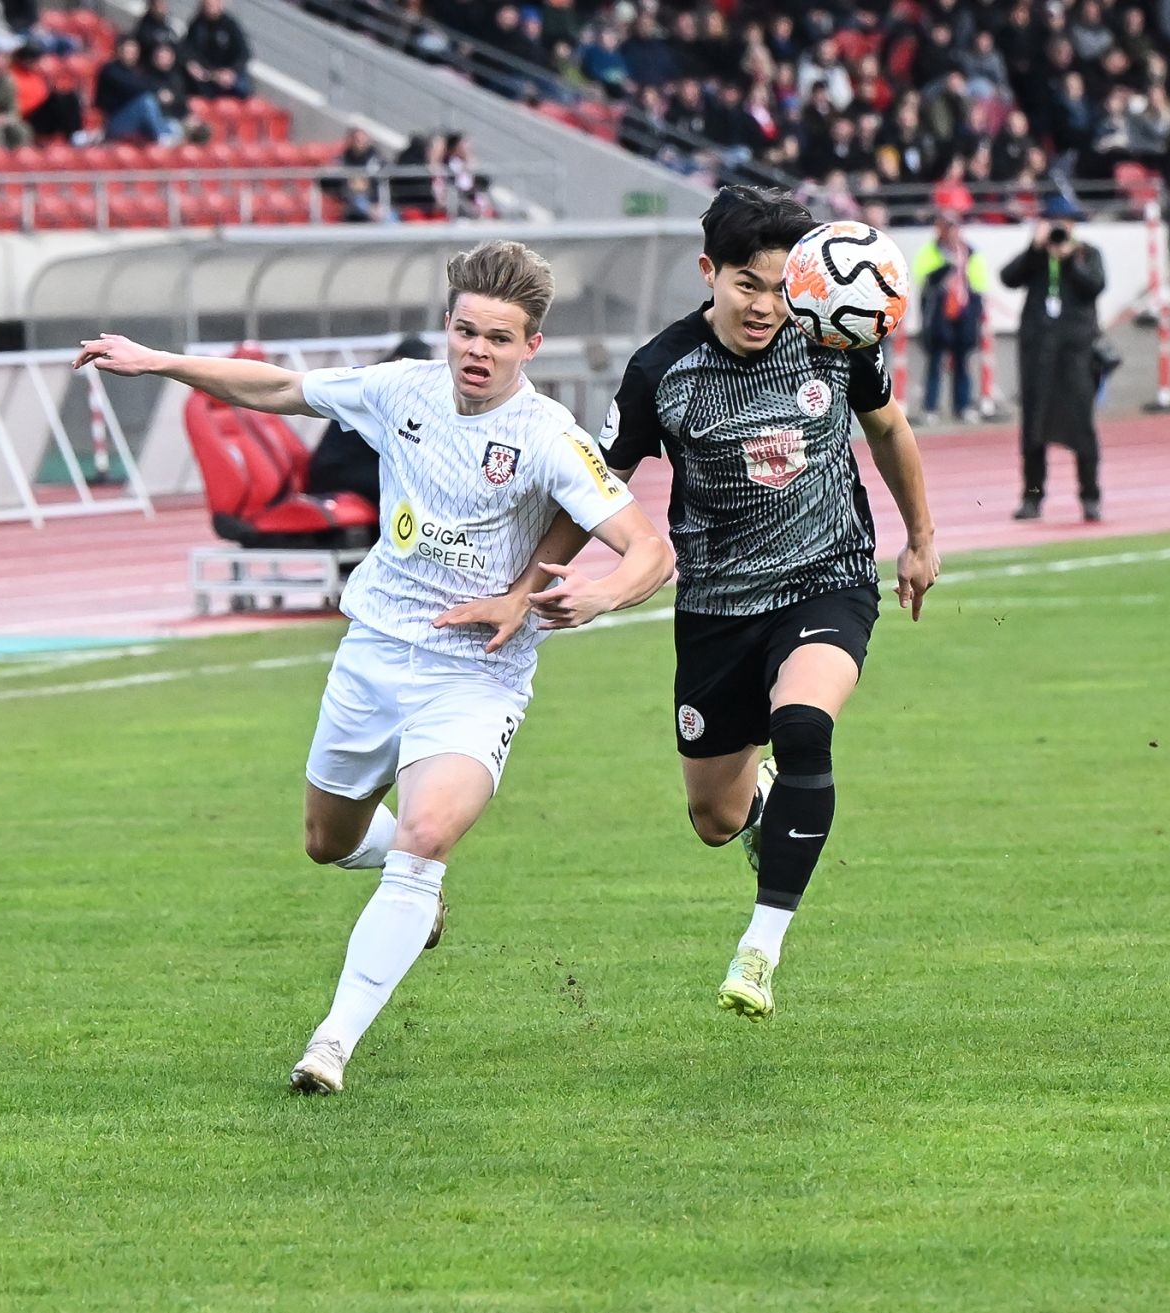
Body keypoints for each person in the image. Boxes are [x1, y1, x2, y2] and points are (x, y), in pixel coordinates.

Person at [73, 241, 674, 1094]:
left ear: (531, 346)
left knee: (426, 837)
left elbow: (650, 549)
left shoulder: (549, 437)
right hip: (375, 651)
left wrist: (597, 596)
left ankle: (332, 1042)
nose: (478, 350)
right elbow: (279, 388)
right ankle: (411, 889)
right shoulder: (400, 389)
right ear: (448, 325)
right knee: (328, 841)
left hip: (476, 672)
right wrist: (159, 362)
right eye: (467, 331)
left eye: (499, 338)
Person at [511, 186, 939, 1020]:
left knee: (804, 724)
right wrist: (527, 585)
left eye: (781, 287)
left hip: (827, 578)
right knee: (715, 818)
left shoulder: (832, 338)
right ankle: (763, 802)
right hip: (716, 608)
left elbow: (888, 428)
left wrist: (920, 537)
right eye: (748, 284)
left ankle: (760, 949)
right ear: (709, 271)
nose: (766, 306)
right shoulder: (661, 370)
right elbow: (599, 486)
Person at [999, 194, 1108, 523]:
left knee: (1082, 428)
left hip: (1075, 355)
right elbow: (1008, 278)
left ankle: (1090, 496)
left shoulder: (1087, 254)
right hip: (1038, 355)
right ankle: (1032, 497)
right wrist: (1036, 249)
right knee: (1033, 431)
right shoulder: (1036, 257)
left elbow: (1095, 285)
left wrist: (1070, 259)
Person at [303, 332, 431, 511]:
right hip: (335, 473)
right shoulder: (375, 391)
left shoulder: (394, 390)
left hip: (355, 467)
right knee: (406, 484)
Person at [913, 210, 995, 426]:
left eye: (954, 227)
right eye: (947, 227)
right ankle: (930, 407)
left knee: (962, 362)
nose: (951, 232)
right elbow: (924, 278)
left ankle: (963, 406)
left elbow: (979, 284)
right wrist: (947, 265)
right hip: (939, 315)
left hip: (963, 313)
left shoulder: (970, 253)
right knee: (935, 362)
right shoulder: (930, 251)